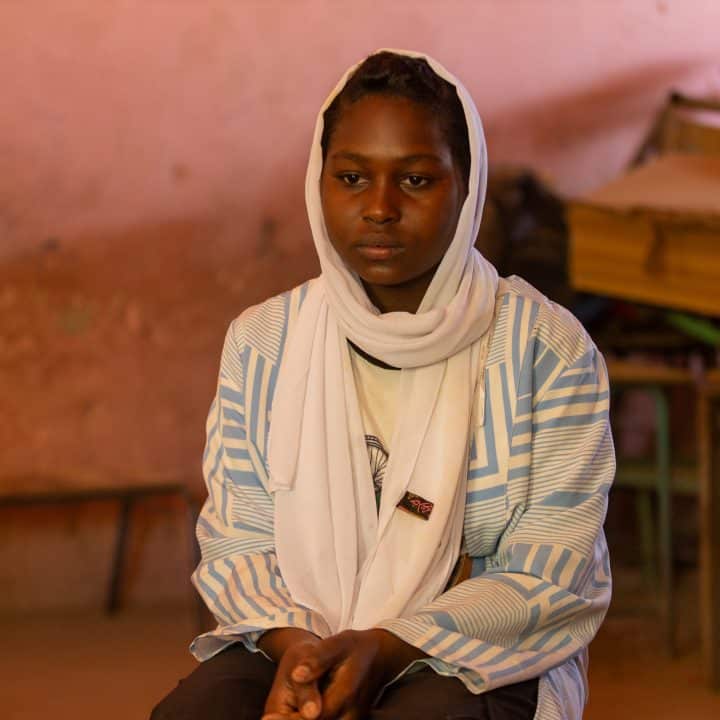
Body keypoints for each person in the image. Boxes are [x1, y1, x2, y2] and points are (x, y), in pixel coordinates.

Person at [151, 49, 614, 720]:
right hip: (294, 636)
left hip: (475, 655)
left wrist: (390, 646)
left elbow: (552, 570)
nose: (379, 209)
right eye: (351, 177)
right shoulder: (265, 342)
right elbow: (237, 543)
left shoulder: (545, 348)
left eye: (417, 180)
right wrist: (301, 655)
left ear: (468, 186)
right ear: (320, 182)